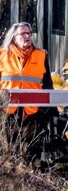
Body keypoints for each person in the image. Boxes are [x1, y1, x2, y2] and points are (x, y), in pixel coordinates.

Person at [0, 22, 53, 163]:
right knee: (9, 152)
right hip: (8, 111)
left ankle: (31, 175)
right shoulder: (2, 55)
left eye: (29, 33)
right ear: (14, 37)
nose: (27, 36)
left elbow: (47, 84)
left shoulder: (41, 55)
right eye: (23, 34)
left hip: (33, 112)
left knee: (31, 152)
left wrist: (45, 110)